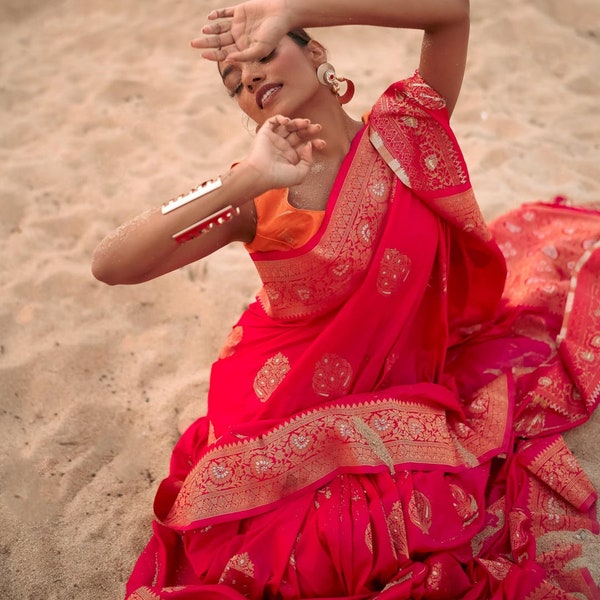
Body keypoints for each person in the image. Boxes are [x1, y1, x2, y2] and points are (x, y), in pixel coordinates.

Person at [92, 0, 600, 598]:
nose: (249, 77)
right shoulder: (258, 193)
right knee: (310, 555)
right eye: (235, 81)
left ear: (315, 51)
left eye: (263, 54)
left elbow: (450, 13)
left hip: (399, 392)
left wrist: (291, 9)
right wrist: (244, 181)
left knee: (409, 521)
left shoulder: (406, 130)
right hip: (281, 400)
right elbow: (111, 263)